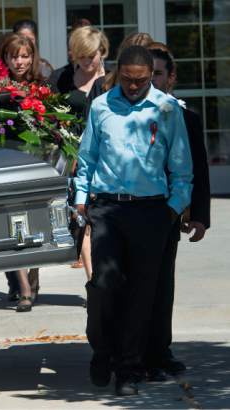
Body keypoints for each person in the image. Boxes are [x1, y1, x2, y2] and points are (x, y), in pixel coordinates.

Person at [75, 45, 193, 396]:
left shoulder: (167, 109)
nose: (133, 86)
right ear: (118, 73)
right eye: (127, 79)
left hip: (151, 211)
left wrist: (172, 209)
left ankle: (129, 369)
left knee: (141, 295)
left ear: (150, 76)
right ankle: (103, 350)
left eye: (140, 81)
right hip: (108, 209)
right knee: (104, 285)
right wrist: (81, 199)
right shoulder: (101, 107)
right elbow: (87, 158)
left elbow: (181, 168)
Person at [143, 43, 210, 381]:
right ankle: (137, 354)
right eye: (148, 73)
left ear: (171, 78)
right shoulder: (128, 116)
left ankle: (160, 350)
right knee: (139, 285)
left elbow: (199, 167)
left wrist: (199, 215)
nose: (152, 80)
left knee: (162, 283)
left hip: (168, 212)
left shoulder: (187, 117)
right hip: (132, 210)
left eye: (158, 74)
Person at [50, 26, 109, 279]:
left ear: (102, 51)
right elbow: (48, 115)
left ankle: (99, 276)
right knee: (82, 216)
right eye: (81, 56)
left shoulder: (112, 80)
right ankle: (93, 279)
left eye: (91, 56)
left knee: (100, 217)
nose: (86, 62)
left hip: (104, 155)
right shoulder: (61, 78)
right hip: (70, 156)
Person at [0, 33, 47, 312]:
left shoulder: (42, 86)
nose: (19, 61)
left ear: (32, 57)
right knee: (13, 224)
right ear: (6, 58)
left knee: (37, 224)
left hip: (36, 162)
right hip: (7, 163)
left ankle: (34, 273)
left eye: (25, 56)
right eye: (14, 56)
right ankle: (24, 288)